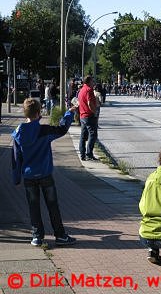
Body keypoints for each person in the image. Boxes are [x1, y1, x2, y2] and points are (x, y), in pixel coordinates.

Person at [11, 98, 77, 246]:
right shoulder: (44, 130)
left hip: (28, 176)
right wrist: (69, 113)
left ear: (25, 113)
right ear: (39, 112)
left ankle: (37, 236)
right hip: (45, 173)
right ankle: (60, 235)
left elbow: (16, 159)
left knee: (33, 207)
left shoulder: (18, 133)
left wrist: (16, 179)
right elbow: (61, 129)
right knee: (53, 205)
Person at [78, 75, 98, 161]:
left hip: (82, 115)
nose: (94, 83)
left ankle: (82, 155)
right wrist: (95, 112)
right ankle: (89, 154)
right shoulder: (89, 90)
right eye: (93, 81)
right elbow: (90, 103)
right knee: (93, 135)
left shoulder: (81, 90)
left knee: (83, 136)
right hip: (89, 116)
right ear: (89, 82)